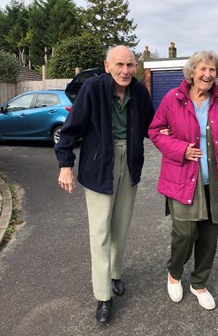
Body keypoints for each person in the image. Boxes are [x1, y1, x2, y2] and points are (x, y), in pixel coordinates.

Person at [148, 50, 218, 310]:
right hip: (181, 180)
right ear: (192, 72)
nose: (208, 74)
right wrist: (180, 149)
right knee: (184, 233)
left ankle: (199, 283)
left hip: (215, 182)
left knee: (209, 237)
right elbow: (155, 131)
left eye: (213, 70)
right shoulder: (172, 100)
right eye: (203, 69)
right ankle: (174, 273)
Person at [55, 45, 154, 323]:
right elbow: (71, 128)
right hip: (99, 164)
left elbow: (152, 126)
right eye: (120, 65)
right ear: (107, 65)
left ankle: (114, 274)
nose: (125, 71)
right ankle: (103, 296)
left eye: (130, 65)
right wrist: (65, 164)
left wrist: (177, 143)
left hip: (130, 162)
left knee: (120, 226)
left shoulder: (140, 92)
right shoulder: (92, 89)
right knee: (100, 232)